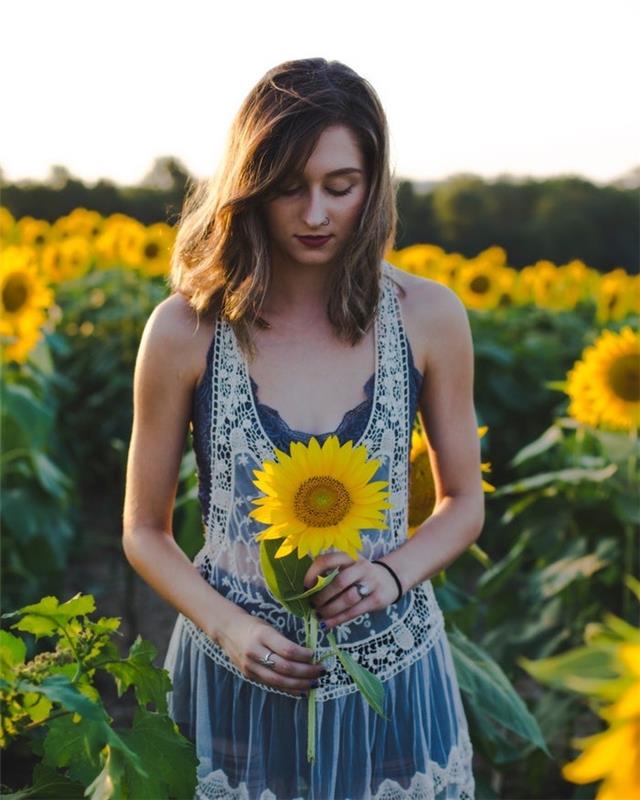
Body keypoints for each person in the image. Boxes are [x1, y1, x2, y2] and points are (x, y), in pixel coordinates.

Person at [122, 57, 483, 800]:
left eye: (340, 187)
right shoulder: (187, 331)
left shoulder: (430, 317)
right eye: (289, 188)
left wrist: (390, 574)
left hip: (394, 679)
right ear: (249, 187)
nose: (315, 214)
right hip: (235, 682)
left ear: (373, 185)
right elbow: (143, 530)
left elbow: (463, 505)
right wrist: (228, 627)